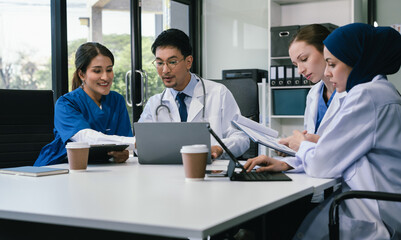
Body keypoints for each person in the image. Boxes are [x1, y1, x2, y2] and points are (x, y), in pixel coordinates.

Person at [248, 23, 401, 239]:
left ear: (355, 58)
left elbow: (322, 163)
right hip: (367, 198)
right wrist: (291, 159)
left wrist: (302, 144)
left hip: (370, 208)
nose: (327, 73)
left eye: (332, 63)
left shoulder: (366, 95)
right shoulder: (381, 91)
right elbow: (342, 150)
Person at [245, 24, 346, 173]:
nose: (300, 70)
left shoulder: (353, 94)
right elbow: (312, 153)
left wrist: (303, 143)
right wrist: (285, 163)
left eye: (304, 59)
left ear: (326, 50)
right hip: (320, 177)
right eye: (295, 64)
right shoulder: (313, 95)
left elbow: (343, 149)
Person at [139, 28, 249, 159]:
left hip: (211, 171)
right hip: (166, 173)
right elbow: (141, 144)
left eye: (172, 62)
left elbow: (241, 137)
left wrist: (220, 148)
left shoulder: (218, 93)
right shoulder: (155, 103)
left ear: (188, 62)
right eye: (159, 63)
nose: (165, 70)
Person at [34, 42, 135, 166]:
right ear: (82, 74)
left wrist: (122, 153)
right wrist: (136, 143)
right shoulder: (66, 103)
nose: (106, 77)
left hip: (98, 168)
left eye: (109, 70)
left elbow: (124, 145)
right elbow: (85, 139)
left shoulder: (116, 100)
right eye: (97, 71)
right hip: (58, 167)